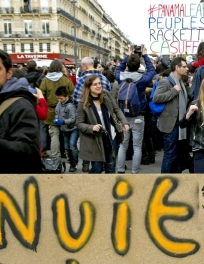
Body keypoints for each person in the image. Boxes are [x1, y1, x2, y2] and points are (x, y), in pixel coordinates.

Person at [76, 75, 129, 174]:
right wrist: (91, 127)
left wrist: (124, 122)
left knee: (111, 167)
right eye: (95, 84)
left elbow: (116, 110)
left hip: (110, 137)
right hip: (94, 141)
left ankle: (109, 189)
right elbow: (79, 123)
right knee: (97, 169)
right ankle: (92, 189)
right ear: (89, 87)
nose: (98, 86)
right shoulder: (83, 102)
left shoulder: (106, 95)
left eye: (99, 83)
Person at [115, 45, 155, 174]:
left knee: (123, 145)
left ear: (127, 65)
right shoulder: (142, 79)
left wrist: (128, 56)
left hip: (123, 117)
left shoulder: (120, 77)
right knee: (137, 146)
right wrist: (144, 55)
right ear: (139, 66)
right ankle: (134, 171)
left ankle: (120, 170)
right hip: (138, 115)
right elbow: (151, 70)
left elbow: (119, 68)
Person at [153, 56, 190, 173]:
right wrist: (174, 91)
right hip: (170, 125)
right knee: (169, 155)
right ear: (177, 68)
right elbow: (156, 98)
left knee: (176, 155)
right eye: (184, 66)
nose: (187, 69)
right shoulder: (166, 82)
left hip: (179, 124)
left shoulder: (180, 82)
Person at [39, 59, 74, 159]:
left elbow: (41, 96)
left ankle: (55, 156)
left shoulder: (45, 80)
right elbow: (72, 94)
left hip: (51, 111)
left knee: (54, 134)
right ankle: (67, 155)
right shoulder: (66, 79)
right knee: (65, 133)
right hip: (65, 110)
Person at [54, 86, 79, 172]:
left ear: (66, 96)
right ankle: (71, 162)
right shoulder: (59, 104)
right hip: (64, 129)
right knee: (67, 148)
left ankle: (74, 162)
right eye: (58, 98)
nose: (59, 100)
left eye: (61, 98)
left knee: (72, 145)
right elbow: (57, 112)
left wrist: (63, 121)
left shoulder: (70, 106)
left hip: (73, 128)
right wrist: (56, 119)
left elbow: (73, 119)